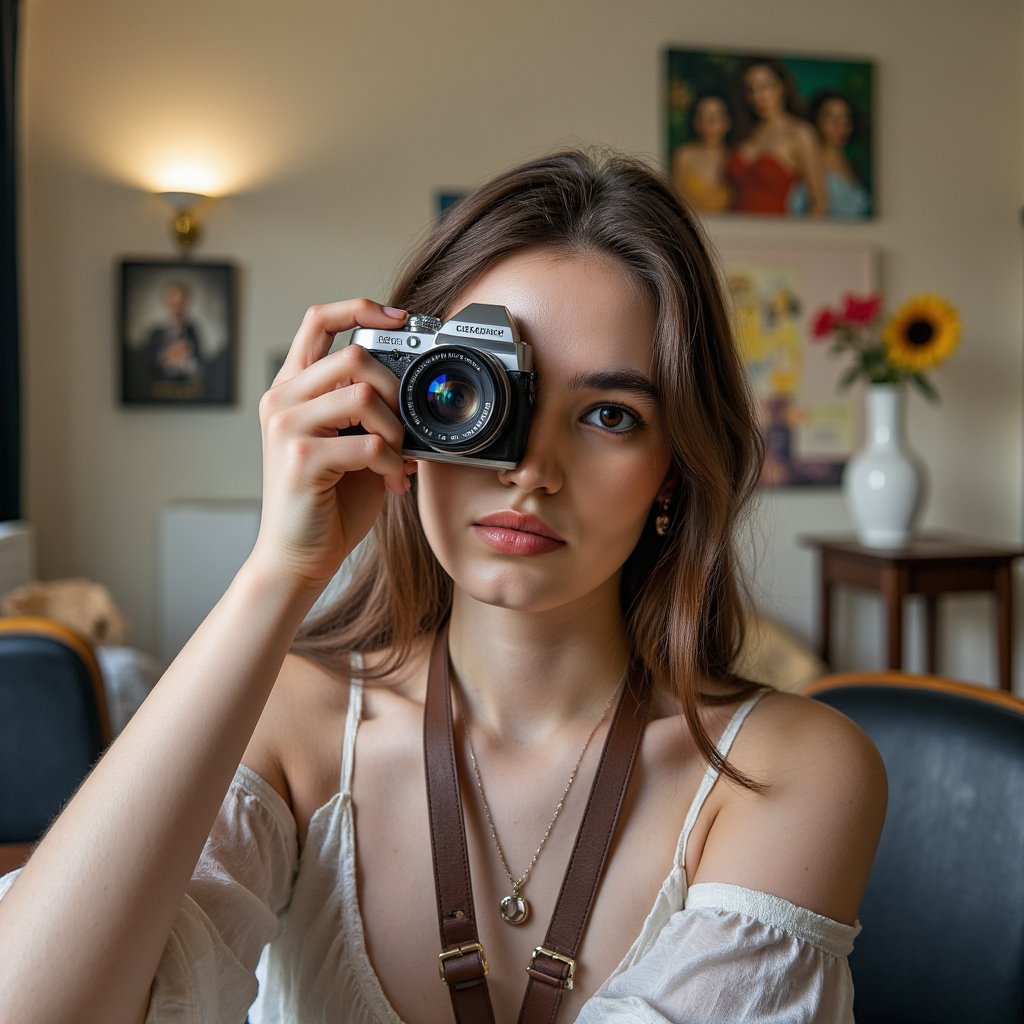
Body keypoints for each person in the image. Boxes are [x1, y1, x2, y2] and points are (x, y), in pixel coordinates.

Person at [0, 149, 886, 1022]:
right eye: (481, 392)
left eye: (610, 415)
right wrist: (278, 572)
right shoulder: (294, 725)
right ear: (403, 407)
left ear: (674, 471)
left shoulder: (787, 772)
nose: (532, 470)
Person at [727, 58, 828, 216]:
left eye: (764, 86)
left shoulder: (800, 133)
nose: (758, 96)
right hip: (731, 231)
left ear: (782, 87)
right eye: (750, 89)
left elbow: (819, 202)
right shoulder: (745, 133)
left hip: (774, 232)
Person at [788, 91, 871, 219]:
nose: (839, 125)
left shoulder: (856, 166)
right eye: (830, 117)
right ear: (816, 119)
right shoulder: (808, 162)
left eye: (845, 118)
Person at [670, 93, 733, 214]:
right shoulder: (683, 155)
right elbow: (675, 204)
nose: (708, 124)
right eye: (702, 117)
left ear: (727, 122)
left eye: (715, 117)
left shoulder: (735, 158)